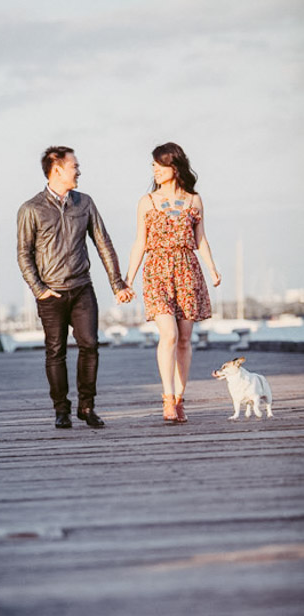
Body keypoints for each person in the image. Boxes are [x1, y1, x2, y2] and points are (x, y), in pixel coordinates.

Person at [17, 146, 133, 429]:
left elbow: (103, 243)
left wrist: (117, 283)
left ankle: (87, 406)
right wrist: (39, 289)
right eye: (74, 166)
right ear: (57, 170)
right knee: (55, 351)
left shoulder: (85, 203)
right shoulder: (31, 209)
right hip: (50, 292)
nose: (79, 171)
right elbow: (23, 253)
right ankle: (61, 409)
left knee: (90, 345)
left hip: (82, 287)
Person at [124, 142, 221, 422]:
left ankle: (180, 399)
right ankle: (167, 399)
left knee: (185, 339)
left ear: (174, 167)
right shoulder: (147, 201)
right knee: (168, 334)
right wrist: (127, 280)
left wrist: (212, 268)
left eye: (158, 165)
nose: (154, 170)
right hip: (156, 270)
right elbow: (139, 242)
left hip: (187, 270)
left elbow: (200, 239)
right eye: (152, 165)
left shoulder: (194, 200)